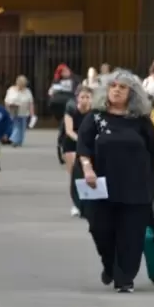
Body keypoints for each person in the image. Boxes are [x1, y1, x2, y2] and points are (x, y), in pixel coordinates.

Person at [76, 69, 154, 293]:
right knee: (100, 229)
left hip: (137, 186)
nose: (116, 90)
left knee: (132, 234)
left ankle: (124, 278)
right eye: (113, 86)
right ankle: (109, 265)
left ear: (131, 94)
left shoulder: (141, 122)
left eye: (122, 87)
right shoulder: (94, 118)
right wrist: (87, 169)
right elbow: (83, 147)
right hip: (101, 185)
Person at [63, 86, 93, 217]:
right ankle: (75, 204)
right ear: (77, 99)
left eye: (87, 97)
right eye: (82, 97)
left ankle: (88, 203)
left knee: (87, 174)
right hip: (72, 143)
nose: (85, 100)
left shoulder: (94, 112)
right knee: (75, 175)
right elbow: (69, 131)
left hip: (88, 144)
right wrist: (80, 140)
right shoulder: (71, 110)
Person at [4, 75, 34, 147]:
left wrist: (32, 114)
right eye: (20, 84)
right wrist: (7, 109)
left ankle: (19, 141)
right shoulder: (11, 90)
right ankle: (14, 139)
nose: (21, 86)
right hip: (13, 111)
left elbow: (30, 103)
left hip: (24, 112)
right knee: (16, 126)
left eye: (23, 85)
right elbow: (6, 101)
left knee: (22, 127)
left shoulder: (27, 91)